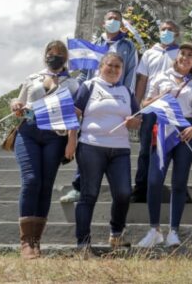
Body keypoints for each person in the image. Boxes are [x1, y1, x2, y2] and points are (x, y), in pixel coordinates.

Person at [10, 40, 80, 259]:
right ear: (45, 55)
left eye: (60, 53)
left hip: (55, 136)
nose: (55, 56)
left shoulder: (73, 84)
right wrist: (15, 105)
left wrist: (72, 139)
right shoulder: (33, 78)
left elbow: (75, 114)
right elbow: (18, 102)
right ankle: (25, 242)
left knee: (45, 184)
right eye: (51, 52)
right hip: (29, 131)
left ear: (66, 58)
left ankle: (35, 240)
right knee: (31, 180)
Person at [61, 9, 138, 203]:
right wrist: (75, 91)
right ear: (103, 22)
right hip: (91, 96)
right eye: (110, 18)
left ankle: (118, 192)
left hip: (116, 97)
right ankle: (79, 186)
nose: (113, 21)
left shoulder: (128, 46)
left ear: (122, 24)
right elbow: (84, 73)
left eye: (117, 19)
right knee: (87, 140)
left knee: (112, 143)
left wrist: (126, 100)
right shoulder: (94, 44)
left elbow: (130, 74)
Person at [73, 52, 142, 250]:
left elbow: (137, 121)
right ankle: (83, 244)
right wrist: (70, 139)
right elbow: (75, 113)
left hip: (120, 149)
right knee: (89, 194)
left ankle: (116, 234)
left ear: (122, 71)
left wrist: (133, 122)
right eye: (109, 65)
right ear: (101, 67)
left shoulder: (127, 92)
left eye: (117, 67)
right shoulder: (89, 86)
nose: (113, 69)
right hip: (91, 146)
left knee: (123, 193)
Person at [136, 43, 192, 248]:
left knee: (179, 182)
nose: (185, 57)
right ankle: (154, 229)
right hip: (164, 128)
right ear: (177, 56)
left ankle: (174, 231)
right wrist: (160, 96)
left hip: (187, 130)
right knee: (155, 180)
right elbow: (145, 105)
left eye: (190, 55)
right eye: (183, 53)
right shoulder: (161, 76)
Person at [132, 20, 180, 203]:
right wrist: (137, 107)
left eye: (170, 29)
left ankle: (173, 188)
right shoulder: (149, 54)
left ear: (176, 33)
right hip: (150, 107)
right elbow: (142, 80)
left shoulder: (180, 54)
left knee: (173, 148)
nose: (166, 32)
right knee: (145, 149)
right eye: (163, 29)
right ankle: (141, 187)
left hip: (173, 108)